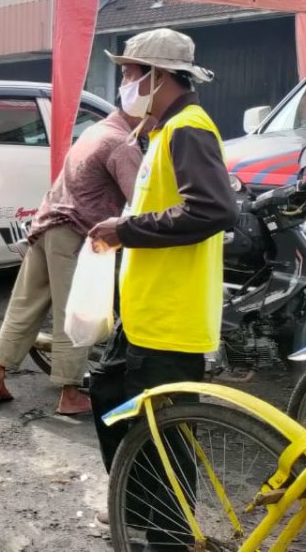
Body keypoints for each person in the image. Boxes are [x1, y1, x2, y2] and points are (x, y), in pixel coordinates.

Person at [88, 29, 238, 545]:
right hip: (148, 310)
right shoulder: (163, 129)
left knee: (163, 444)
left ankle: (166, 535)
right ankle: (142, 512)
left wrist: (127, 230)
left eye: (131, 72)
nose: (125, 81)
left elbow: (214, 210)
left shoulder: (188, 130)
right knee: (114, 403)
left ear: (157, 76)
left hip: (171, 320)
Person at [0, 107, 143, 415]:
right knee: (75, 313)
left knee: (23, 305)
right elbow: (141, 199)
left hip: (45, 225)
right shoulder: (123, 144)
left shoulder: (95, 132)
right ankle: (70, 394)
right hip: (75, 233)